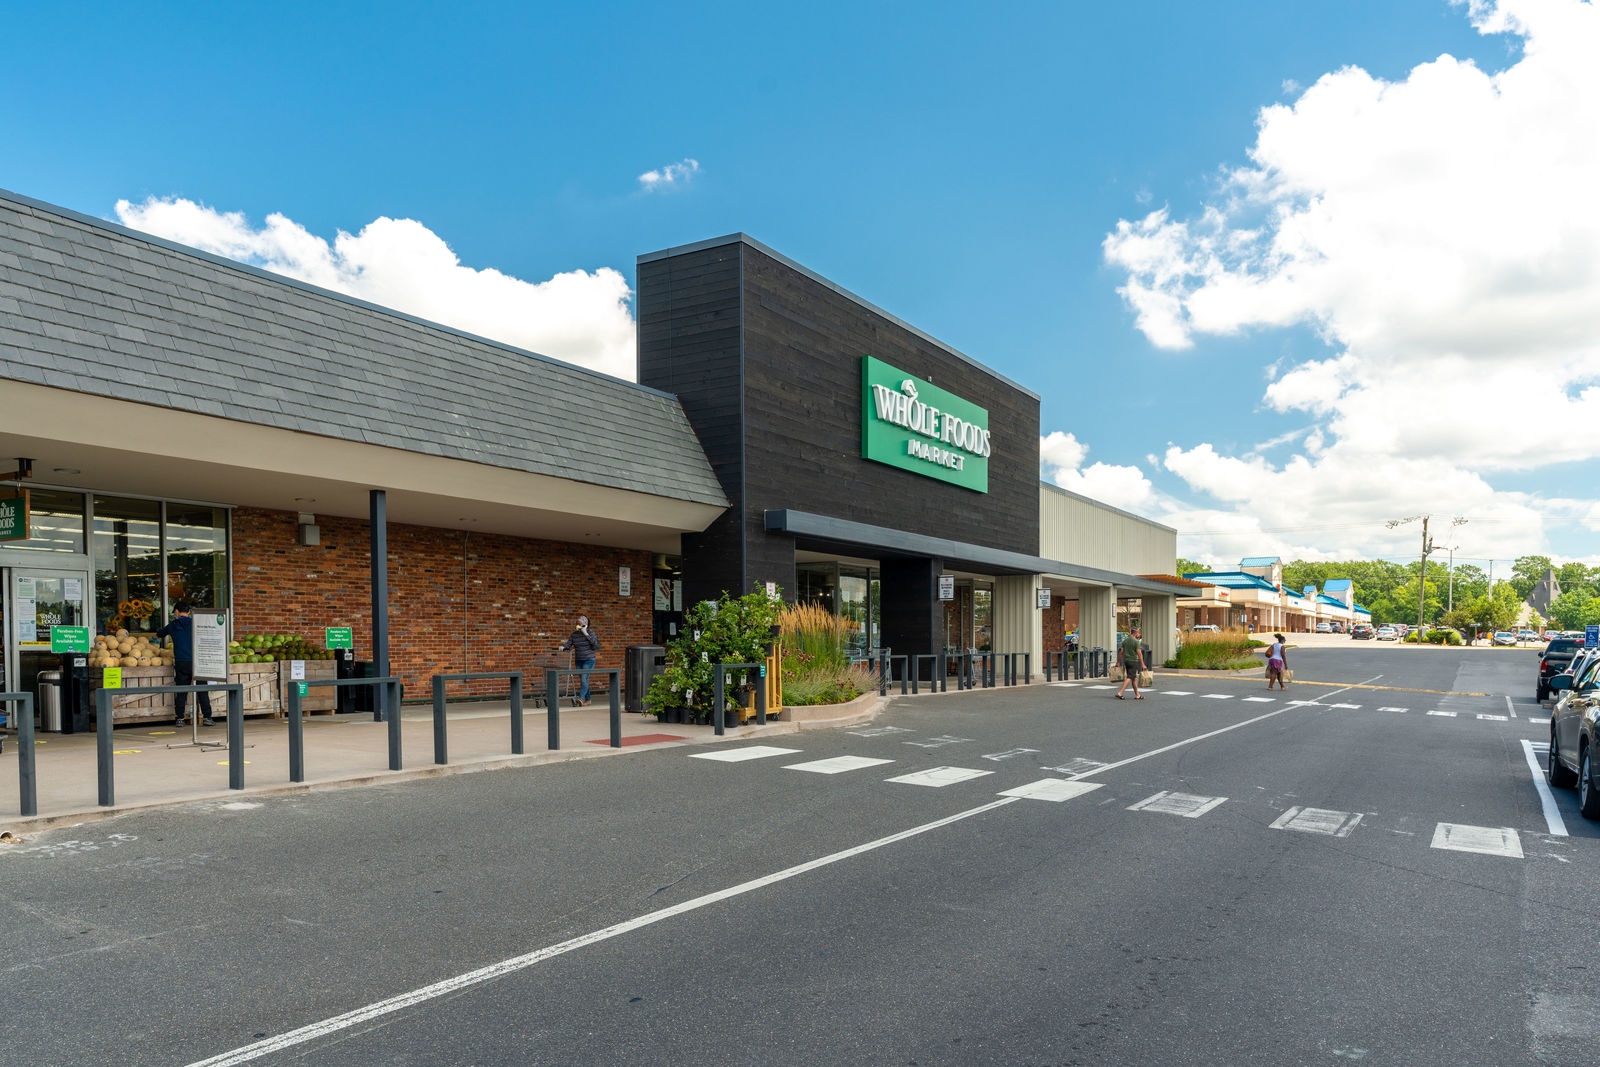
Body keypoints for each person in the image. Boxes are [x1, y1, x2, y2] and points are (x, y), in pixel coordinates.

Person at [156, 602, 215, 726]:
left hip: (181, 662)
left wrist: (154, 637)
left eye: (175, 612)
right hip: (197, 662)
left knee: (181, 691)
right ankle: (207, 717)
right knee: (202, 690)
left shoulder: (173, 625)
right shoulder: (196, 623)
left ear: (177, 612)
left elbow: (159, 634)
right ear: (188, 612)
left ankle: (180, 718)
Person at [559, 613, 600, 705]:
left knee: (584, 679)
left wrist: (586, 634)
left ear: (585, 624)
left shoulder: (590, 633)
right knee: (583, 680)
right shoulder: (574, 635)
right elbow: (568, 644)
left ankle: (581, 698)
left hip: (589, 660)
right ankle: (588, 700)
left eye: (579, 624)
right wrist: (563, 648)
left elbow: (594, 643)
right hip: (578, 660)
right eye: (576, 624)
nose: (577, 625)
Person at [1115, 625, 1146, 700]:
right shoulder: (1136, 642)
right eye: (1138, 632)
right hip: (1133, 661)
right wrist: (1143, 664)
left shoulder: (1125, 641)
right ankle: (1120, 693)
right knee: (1129, 677)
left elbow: (1121, 652)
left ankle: (1137, 695)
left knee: (1133, 678)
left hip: (1126, 661)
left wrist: (1118, 662)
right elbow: (1139, 654)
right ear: (1136, 633)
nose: (1138, 634)